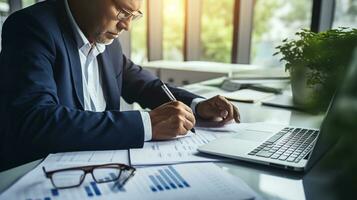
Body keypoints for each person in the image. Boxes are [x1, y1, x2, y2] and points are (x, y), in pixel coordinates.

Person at [0, 0, 240, 170]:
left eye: (134, 15)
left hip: (105, 166)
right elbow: (35, 120)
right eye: (123, 12)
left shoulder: (107, 42)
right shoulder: (32, 27)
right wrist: (147, 124)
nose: (127, 26)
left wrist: (197, 106)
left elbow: (145, 85)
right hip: (41, 173)